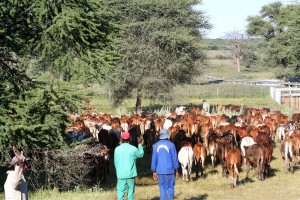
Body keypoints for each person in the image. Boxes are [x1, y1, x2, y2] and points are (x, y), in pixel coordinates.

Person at [114, 131, 144, 200]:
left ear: (121, 138)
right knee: (131, 191)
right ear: (129, 138)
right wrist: (139, 144)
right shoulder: (133, 148)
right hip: (130, 174)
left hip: (120, 174)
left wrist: (118, 171)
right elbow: (141, 154)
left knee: (120, 191)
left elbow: (116, 162)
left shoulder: (117, 149)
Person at [151, 129, 179, 200]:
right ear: (167, 136)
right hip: (170, 170)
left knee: (162, 188)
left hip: (160, 171)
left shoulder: (156, 145)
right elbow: (174, 158)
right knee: (170, 188)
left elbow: (154, 159)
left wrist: (154, 171)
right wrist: (177, 170)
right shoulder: (171, 145)